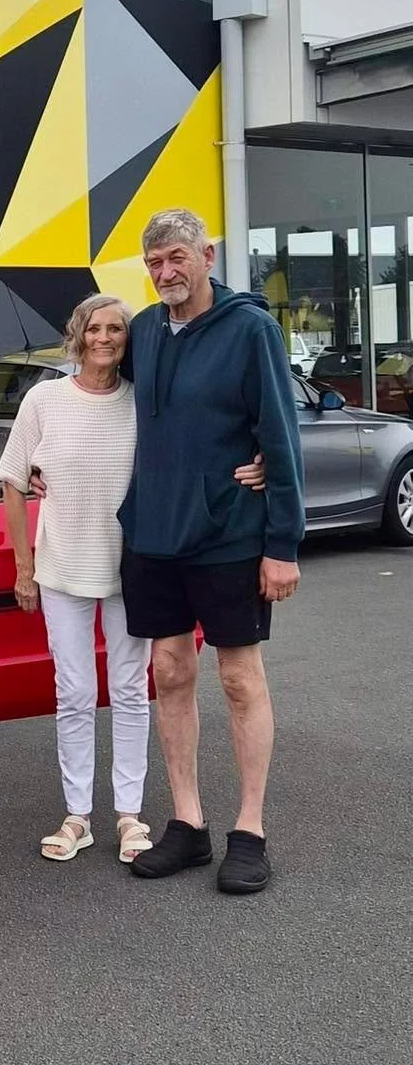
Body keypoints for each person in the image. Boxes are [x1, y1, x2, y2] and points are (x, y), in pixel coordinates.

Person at [0, 294, 265, 864]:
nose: (105, 338)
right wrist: (23, 567)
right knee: (73, 692)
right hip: (62, 566)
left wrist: (259, 456)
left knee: (131, 692)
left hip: (134, 564)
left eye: (116, 329)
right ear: (78, 333)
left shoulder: (145, 401)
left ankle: (130, 817)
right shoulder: (44, 399)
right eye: (95, 327)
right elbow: (14, 481)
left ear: (129, 340)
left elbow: (205, 433)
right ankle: (77, 816)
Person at [118, 208, 303, 895]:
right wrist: (44, 462)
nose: (166, 272)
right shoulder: (142, 331)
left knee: (238, 678)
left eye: (176, 258)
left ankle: (248, 830)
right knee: (169, 671)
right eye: (154, 263)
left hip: (229, 533)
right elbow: (96, 391)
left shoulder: (252, 329)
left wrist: (281, 544)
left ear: (207, 255)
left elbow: (279, 436)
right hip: (154, 535)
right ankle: (189, 825)